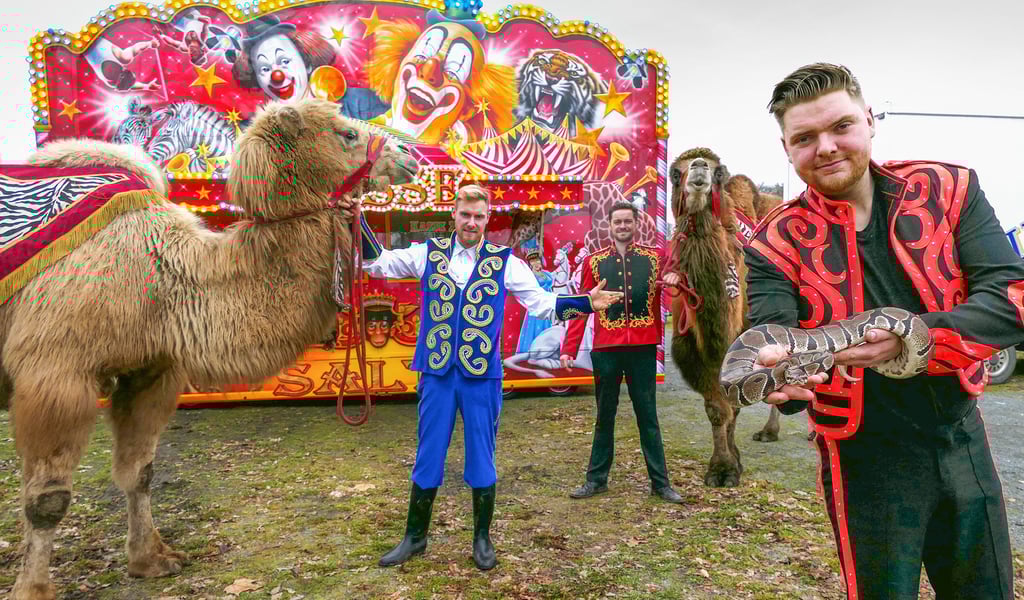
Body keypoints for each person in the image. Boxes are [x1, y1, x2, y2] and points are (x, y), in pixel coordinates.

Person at [745, 62, 1024, 599]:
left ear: (869, 121)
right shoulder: (773, 241)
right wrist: (777, 375)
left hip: (963, 435)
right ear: (786, 149)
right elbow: (772, 334)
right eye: (804, 138)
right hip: (862, 457)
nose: (825, 146)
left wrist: (916, 338)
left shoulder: (948, 189)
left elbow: (1010, 297)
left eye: (840, 126)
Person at [343, 185, 622, 571]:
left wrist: (585, 303)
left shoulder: (506, 261)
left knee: (481, 456)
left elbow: (540, 304)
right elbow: (379, 263)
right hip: (437, 373)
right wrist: (356, 220)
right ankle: (415, 536)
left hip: (481, 376)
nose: (471, 222)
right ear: (454, 215)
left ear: (487, 219)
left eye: (478, 217)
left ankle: (482, 538)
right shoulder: (428, 254)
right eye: (465, 215)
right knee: (428, 453)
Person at [560, 201, 686, 504]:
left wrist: (676, 279)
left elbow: (679, 284)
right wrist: (568, 348)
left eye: (628, 222)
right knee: (604, 416)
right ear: (609, 225)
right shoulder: (592, 262)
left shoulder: (657, 257)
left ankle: (660, 484)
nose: (622, 227)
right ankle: (596, 479)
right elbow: (581, 307)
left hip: (642, 347)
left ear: (637, 223)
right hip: (606, 349)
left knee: (648, 417)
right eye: (617, 222)